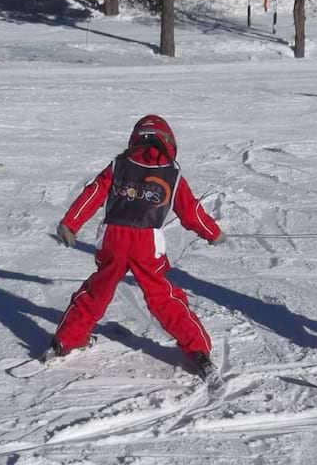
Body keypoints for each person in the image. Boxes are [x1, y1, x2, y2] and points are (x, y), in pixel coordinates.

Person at [52, 114, 226, 384]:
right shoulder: (172, 173)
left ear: (136, 139)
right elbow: (190, 212)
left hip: (113, 239)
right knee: (162, 296)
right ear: (168, 142)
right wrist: (212, 233)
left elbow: (94, 192)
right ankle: (197, 348)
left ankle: (68, 339)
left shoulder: (119, 165)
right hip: (147, 243)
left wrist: (70, 223)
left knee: (98, 288)